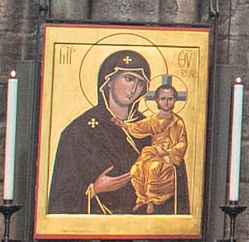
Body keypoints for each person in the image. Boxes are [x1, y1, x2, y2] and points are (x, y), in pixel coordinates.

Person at [47, 48, 188, 218]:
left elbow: (177, 177)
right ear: (109, 81)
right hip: (95, 230)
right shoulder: (78, 132)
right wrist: (94, 190)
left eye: (140, 83)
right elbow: (60, 200)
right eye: (128, 79)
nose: (133, 89)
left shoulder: (154, 126)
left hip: (145, 227)